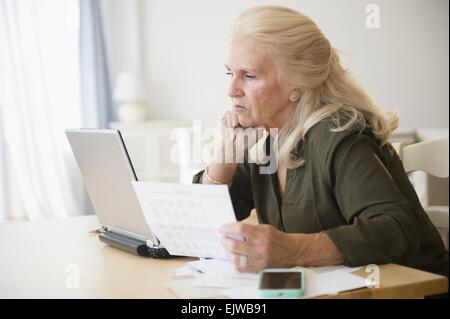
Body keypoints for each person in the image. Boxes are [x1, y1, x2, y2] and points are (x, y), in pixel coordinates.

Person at [192, 5, 448, 276]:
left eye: (249, 75)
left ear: (295, 85)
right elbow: (202, 225)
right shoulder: (268, 143)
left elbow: (395, 229)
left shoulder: (339, 135)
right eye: (229, 73)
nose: (231, 90)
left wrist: (292, 249)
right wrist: (223, 162)